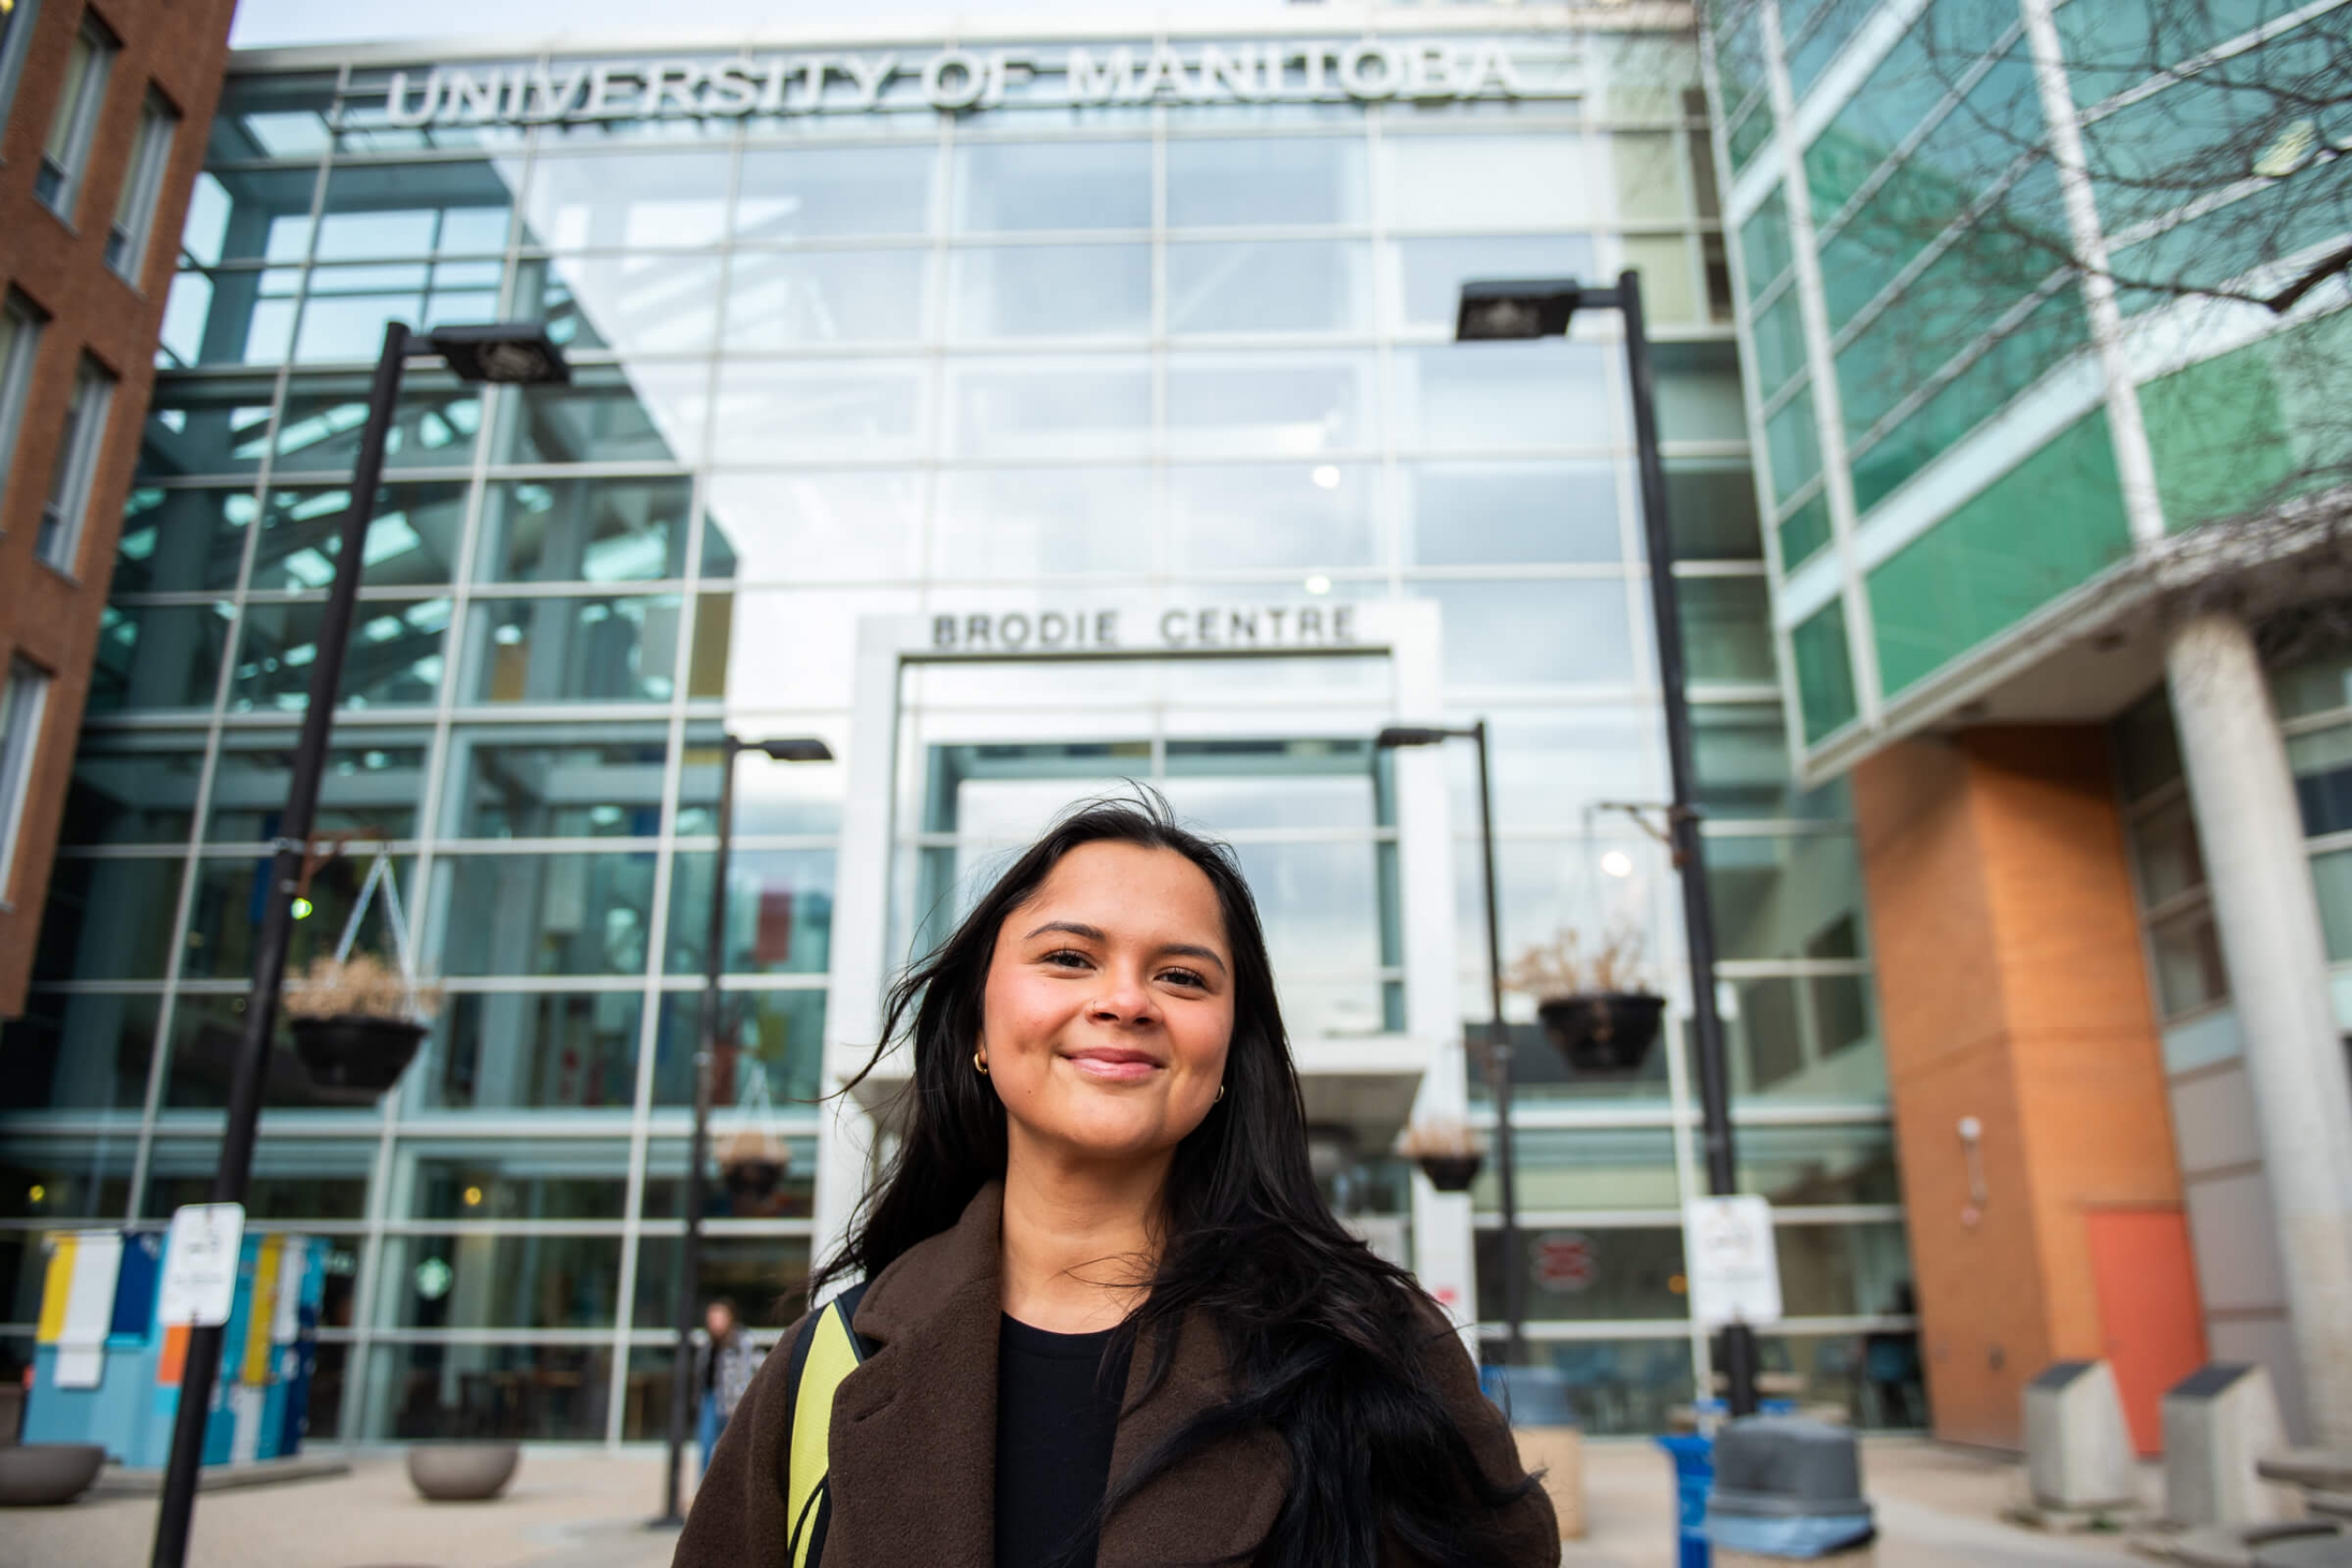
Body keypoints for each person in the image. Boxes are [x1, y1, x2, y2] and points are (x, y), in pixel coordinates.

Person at [677, 796, 1559, 1568]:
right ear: (979, 1028)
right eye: (1068, 957)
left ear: (1226, 1057)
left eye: (1181, 976)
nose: (1127, 1000)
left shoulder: (1376, 1344)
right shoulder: (824, 1369)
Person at [694, 1296, 760, 1475]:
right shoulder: (708, 1343)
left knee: (733, 1448)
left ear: (729, 1318)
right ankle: (705, 1490)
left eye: (718, 1317)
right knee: (706, 1445)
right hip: (710, 1398)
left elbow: (754, 1368)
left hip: (733, 1402)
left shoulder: (742, 1341)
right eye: (711, 1317)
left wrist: (744, 1397)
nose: (714, 1322)